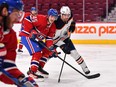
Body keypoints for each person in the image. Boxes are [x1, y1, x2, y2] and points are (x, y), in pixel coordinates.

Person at [39, 6, 90, 76]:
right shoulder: (56, 23)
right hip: (54, 40)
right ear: (61, 14)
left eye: (68, 15)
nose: (67, 17)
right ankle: (39, 68)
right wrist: (63, 46)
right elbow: (52, 38)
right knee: (48, 54)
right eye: (65, 15)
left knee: (74, 52)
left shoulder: (70, 16)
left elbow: (72, 20)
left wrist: (73, 25)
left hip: (65, 38)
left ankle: (84, 67)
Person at [0, 0, 38, 87]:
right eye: (16, 14)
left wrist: (21, 79)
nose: (18, 19)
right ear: (5, 11)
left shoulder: (11, 36)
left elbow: (8, 66)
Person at [19, 8, 58, 80]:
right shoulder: (41, 18)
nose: (53, 18)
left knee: (48, 50)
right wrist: (32, 30)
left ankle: (39, 67)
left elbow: (49, 39)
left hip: (36, 39)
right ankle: (32, 72)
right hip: (27, 36)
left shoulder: (53, 27)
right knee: (37, 52)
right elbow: (27, 19)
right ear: (48, 15)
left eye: (55, 17)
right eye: (52, 16)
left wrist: (53, 50)